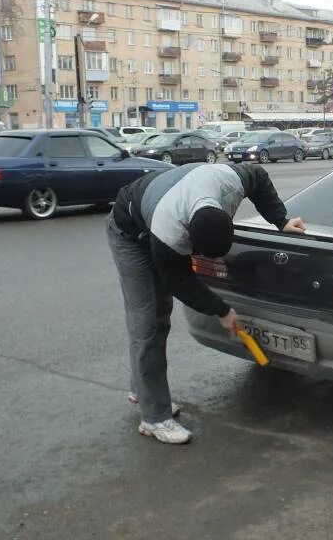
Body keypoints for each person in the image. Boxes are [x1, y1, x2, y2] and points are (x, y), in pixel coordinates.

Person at [107, 162, 306, 444]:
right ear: (188, 231)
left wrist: (281, 220)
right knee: (148, 323)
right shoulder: (170, 228)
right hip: (130, 234)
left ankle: (145, 389)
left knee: (159, 316)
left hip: (160, 202)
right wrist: (222, 310)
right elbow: (180, 282)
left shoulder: (231, 181)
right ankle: (155, 417)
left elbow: (260, 178)